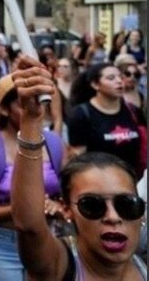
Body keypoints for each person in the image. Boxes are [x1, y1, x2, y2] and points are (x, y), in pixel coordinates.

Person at [10, 56, 147, 280]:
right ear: (67, 210)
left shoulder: (142, 264)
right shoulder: (58, 266)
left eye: (127, 205)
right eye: (92, 205)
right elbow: (29, 227)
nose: (113, 217)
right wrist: (31, 120)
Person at [0, 75, 66, 280]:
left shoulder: (55, 143)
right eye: (24, 104)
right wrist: (24, 209)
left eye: (39, 101)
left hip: (46, 241)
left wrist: (57, 206)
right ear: (4, 109)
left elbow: (68, 195)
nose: (34, 109)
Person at [67, 64, 146, 176]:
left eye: (120, 76)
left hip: (132, 181)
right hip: (99, 181)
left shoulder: (133, 110)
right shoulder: (81, 114)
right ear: (95, 84)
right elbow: (77, 157)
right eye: (111, 78)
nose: (119, 81)